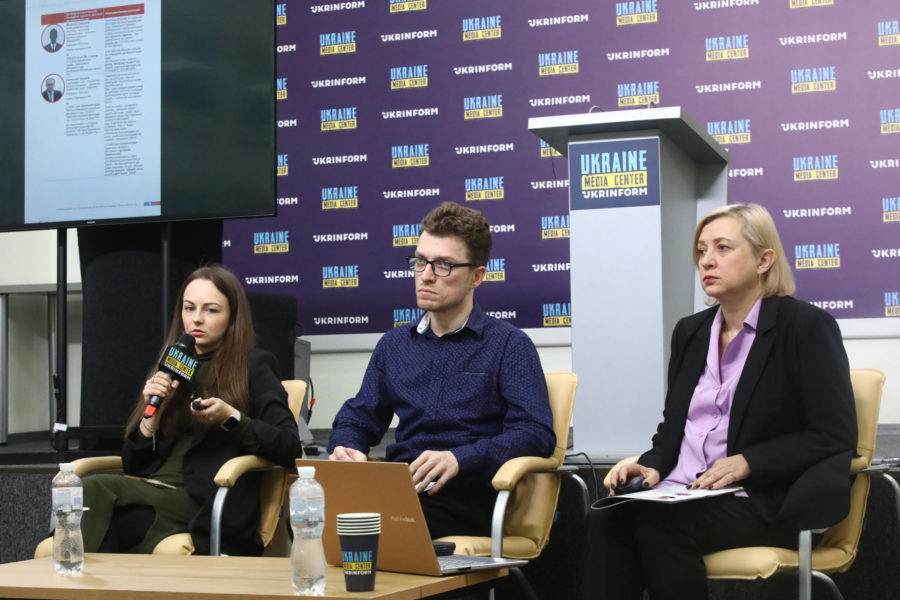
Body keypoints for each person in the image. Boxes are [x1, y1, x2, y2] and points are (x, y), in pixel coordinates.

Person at [584, 203, 857, 599]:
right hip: (683, 491)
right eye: (701, 251)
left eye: (723, 248)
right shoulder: (690, 332)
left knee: (658, 524)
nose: (707, 261)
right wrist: (652, 463)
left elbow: (834, 434)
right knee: (607, 517)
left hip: (764, 499)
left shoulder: (806, 327)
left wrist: (751, 461)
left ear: (764, 260)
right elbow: (675, 425)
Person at [327, 201, 556, 538]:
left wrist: (460, 458)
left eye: (444, 265)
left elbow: (535, 434)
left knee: (383, 524)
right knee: (313, 512)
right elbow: (357, 419)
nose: (426, 275)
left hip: (467, 494)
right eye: (420, 261)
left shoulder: (509, 345)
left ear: (477, 276)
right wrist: (347, 447)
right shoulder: (394, 345)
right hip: (402, 488)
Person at [81, 265, 302, 556]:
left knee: (96, 491)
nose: (196, 318)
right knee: (106, 513)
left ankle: (73, 573)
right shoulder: (173, 363)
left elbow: (289, 446)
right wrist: (153, 417)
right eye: (189, 308)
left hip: (203, 498)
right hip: (153, 489)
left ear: (232, 316)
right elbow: (132, 464)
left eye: (211, 310)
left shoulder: (253, 365)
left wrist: (231, 419)